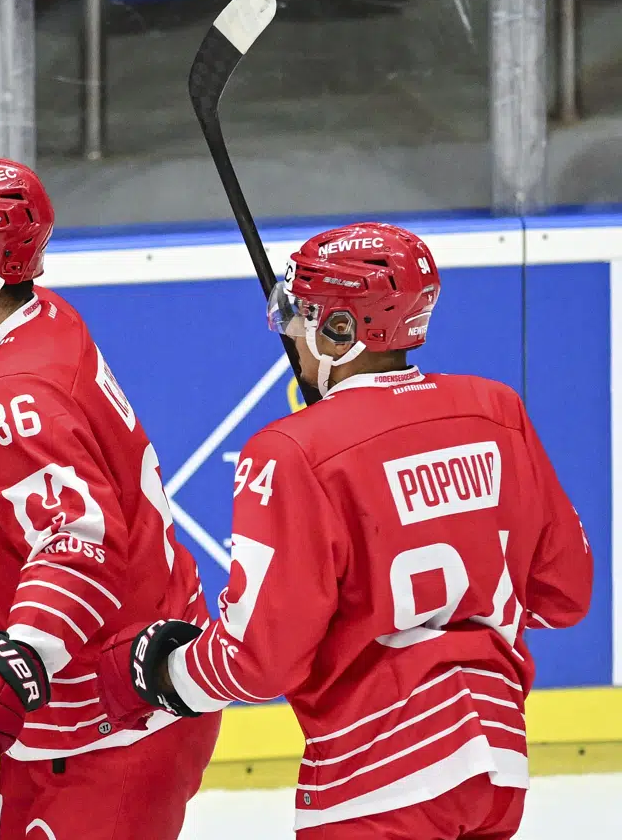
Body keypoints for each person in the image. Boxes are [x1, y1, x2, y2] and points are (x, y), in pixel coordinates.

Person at [98, 223, 594, 839]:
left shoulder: (293, 450)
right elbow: (564, 594)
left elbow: (261, 659)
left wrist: (166, 677)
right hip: (496, 765)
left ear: (341, 331)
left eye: (302, 312)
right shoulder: (496, 411)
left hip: (378, 780)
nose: (288, 329)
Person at [0, 158, 221, 840]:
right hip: (98, 694)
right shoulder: (34, 318)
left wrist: (21, 658)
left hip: (112, 719)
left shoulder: (11, 400)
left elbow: (81, 543)